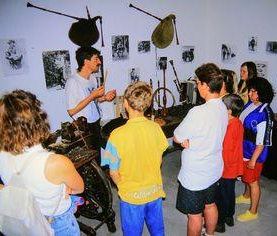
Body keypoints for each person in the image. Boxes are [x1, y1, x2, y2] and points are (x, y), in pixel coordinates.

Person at [0, 89, 84, 235]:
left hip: (29, 220)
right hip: (57, 222)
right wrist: (65, 189)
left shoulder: (2, 157)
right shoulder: (55, 162)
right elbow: (79, 188)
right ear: (38, 120)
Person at [101, 81, 168, 236]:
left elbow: (113, 173)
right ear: (148, 104)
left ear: (125, 103)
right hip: (154, 191)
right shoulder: (156, 128)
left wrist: (124, 187)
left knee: (132, 232)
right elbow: (159, 160)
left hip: (131, 196)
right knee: (157, 229)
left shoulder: (116, 136)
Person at [173, 63, 228, 236]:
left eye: (197, 83)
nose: (197, 87)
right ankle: (210, 235)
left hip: (196, 174)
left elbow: (176, 137)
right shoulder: (223, 108)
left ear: (205, 85)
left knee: (195, 215)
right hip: (214, 168)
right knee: (210, 204)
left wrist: (186, 142)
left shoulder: (198, 112)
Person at [65, 47, 116, 163]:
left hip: (96, 123)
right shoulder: (73, 82)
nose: (99, 62)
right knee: (91, 161)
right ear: (86, 62)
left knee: (98, 157)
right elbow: (71, 111)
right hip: (85, 128)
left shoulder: (92, 79)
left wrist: (104, 98)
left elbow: (93, 102)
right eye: (96, 59)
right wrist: (92, 96)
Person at [236, 77, 275, 222]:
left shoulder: (265, 114)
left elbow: (262, 142)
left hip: (255, 154)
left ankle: (253, 212)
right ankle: (246, 197)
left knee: (253, 182)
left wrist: (253, 160)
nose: (250, 94)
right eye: (250, 90)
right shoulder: (251, 104)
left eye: (253, 91)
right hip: (244, 149)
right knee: (247, 177)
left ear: (261, 93)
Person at [216, 94, 244, 232]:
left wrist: (220, 168)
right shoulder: (238, 123)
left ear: (228, 111)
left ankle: (220, 223)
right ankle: (229, 216)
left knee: (221, 196)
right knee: (230, 193)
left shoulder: (229, 127)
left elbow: (226, 151)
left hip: (226, 168)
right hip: (234, 167)